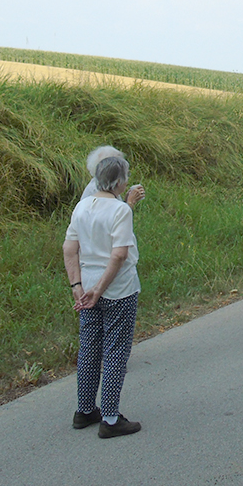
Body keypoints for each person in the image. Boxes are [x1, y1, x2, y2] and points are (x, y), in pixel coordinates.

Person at [63, 155, 143, 438]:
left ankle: (84, 409)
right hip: (117, 289)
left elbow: (70, 248)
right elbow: (119, 254)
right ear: (120, 182)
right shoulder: (120, 211)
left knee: (89, 347)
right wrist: (102, 289)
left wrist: (79, 286)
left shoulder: (82, 207)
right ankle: (110, 417)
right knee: (115, 350)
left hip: (87, 287)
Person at [81, 145, 146, 208]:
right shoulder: (97, 188)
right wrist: (130, 202)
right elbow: (117, 216)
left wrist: (126, 200)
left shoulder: (105, 185)